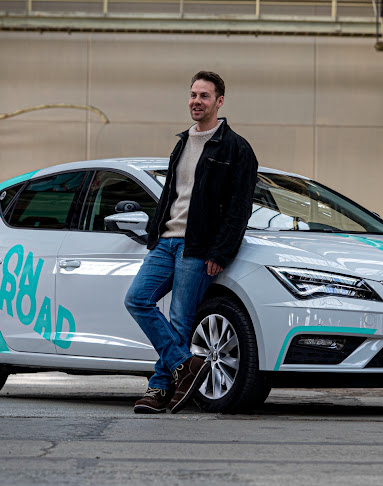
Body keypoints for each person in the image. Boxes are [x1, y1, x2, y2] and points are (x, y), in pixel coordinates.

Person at [124, 71, 259, 414]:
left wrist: (220, 251)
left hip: (197, 246)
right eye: (193, 95)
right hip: (167, 241)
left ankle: (158, 390)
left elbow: (239, 208)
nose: (196, 101)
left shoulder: (237, 148)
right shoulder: (183, 142)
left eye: (204, 96)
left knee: (182, 320)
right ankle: (185, 364)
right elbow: (172, 195)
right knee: (137, 299)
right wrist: (155, 234)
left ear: (219, 102)